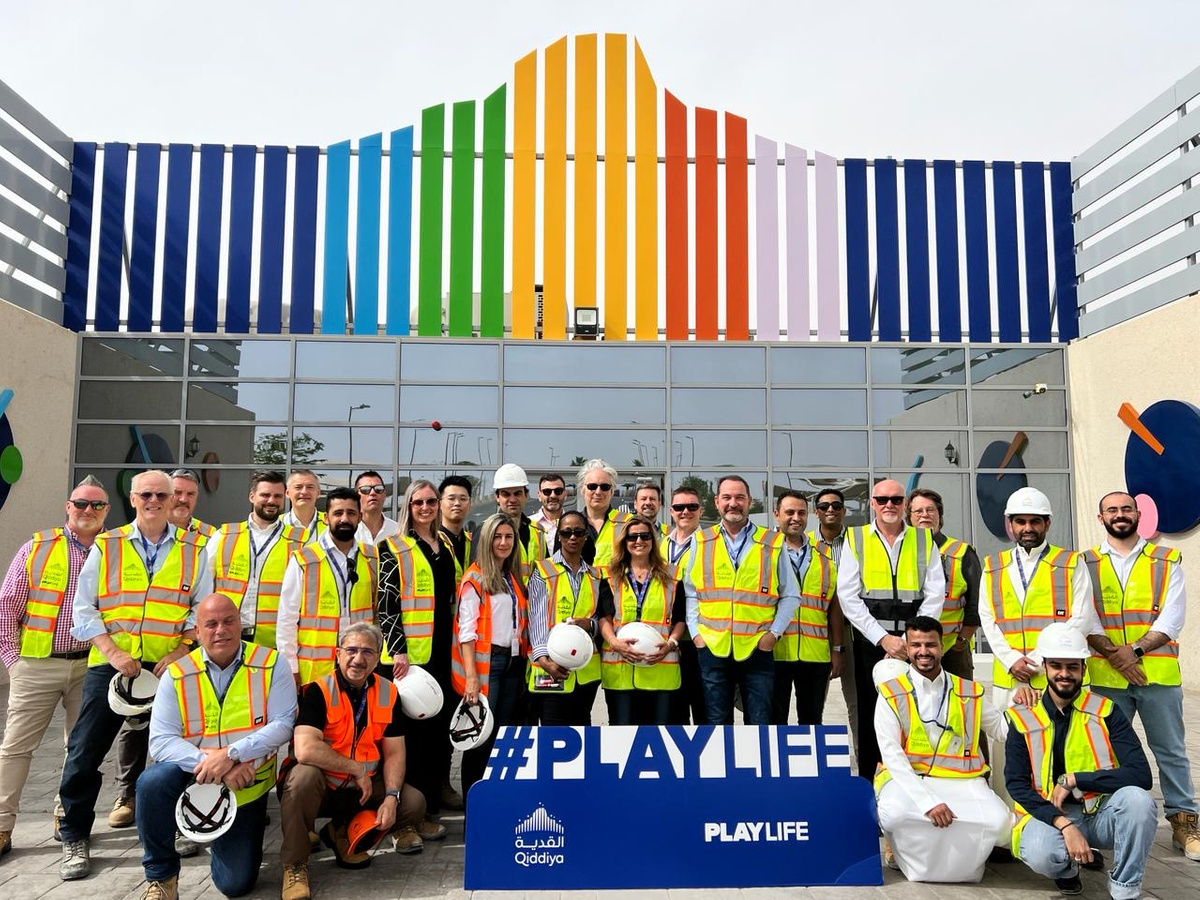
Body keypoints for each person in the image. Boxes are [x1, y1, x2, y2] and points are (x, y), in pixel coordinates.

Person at [58, 469, 213, 881]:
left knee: (171, 755)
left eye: (163, 494)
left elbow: (201, 609)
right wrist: (112, 651)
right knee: (85, 752)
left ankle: (177, 826)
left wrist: (182, 649)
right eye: (147, 494)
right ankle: (74, 833)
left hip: (168, 668)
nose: (155, 501)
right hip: (110, 665)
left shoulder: (196, 549)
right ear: (132, 498)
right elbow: (83, 607)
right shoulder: (108, 545)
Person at [134, 594, 296, 900]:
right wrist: (217, 764)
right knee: (152, 782)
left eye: (228, 621)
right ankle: (162, 878)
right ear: (197, 632)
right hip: (193, 775)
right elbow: (160, 741)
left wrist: (231, 755)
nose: (220, 630)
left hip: (246, 784)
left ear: (240, 624)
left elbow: (283, 725)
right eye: (211, 624)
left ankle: (209, 832)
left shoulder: (272, 664)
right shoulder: (177, 674)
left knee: (234, 885)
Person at [1083, 491, 1199, 860]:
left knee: (1171, 751)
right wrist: (1116, 656)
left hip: (1157, 674)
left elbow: (1172, 616)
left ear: (1139, 515)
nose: (1120, 514)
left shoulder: (1166, 559)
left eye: (1126, 509)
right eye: (1112, 510)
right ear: (1101, 518)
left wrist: (1131, 652)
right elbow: (1084, 616)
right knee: (1104, 753)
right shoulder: (1084, 563)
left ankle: (1184, 823)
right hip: (1105, 674)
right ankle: (1106, 820)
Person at [1007, 623, 1157, 899]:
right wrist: (1064, 826)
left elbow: (1141, 775)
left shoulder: (1106, 711)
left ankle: (1125, 889)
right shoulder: (1023, 718)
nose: (1064, 674)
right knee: (1043, 854)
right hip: (1048, 813)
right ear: (1045, 667)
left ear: (1083, 669)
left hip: (1099, 812)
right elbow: (1016, 785)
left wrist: (1075, 779)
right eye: (1056, 665)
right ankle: (1066, 870)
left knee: (1138, 801)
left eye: (1072, 667)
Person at [0, 477, 109, 854]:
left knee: (78, 750)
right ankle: (1, 826)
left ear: (107, 510)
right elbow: (6, 605)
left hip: (90, 666)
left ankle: (67, 817)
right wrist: (13, 662)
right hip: (37, 665)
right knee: (15, 748)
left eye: (96, 505)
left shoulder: (116, 549)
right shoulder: (38, 546)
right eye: (81, 503)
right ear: (68, 506)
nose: (87, 511)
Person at [278, 622, 426, 900]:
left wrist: (391, 796)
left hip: (362, 791)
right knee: (302, 778)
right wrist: (355, 768)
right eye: (352, 650)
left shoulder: (388, 692)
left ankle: (340, 831)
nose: (359, 659)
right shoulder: (318, 691)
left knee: (413, 803)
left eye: (368, 652)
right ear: (337, 653)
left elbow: (395, 752)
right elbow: (305, 750)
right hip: (322, 789)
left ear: (377, 657)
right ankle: (295, 864)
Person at [978, 487, 1095, 810]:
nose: (1028, 527)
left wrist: (1037, 660)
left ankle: (1065, 820)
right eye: (1020, 521)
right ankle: (1010, 825)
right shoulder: (993, 566)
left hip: (1058, 679)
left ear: (1047, 523)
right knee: (1008, 753)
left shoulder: (1072, 563)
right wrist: (1013, 659)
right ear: (1009, 525)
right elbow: (989, 619)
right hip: (1011, 678)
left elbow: (1081, 618)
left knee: (1063, 749)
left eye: (1035, 521)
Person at [874, 616, 1012, 883]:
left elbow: (1002, 730)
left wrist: (1026, 706)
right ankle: (900, 853)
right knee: (893, 815)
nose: (923, 652)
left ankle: (961, 867)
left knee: (1000, 824)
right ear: (907, 648)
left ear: (942, 647)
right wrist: (929, 803)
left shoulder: (969, 690)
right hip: (911, 781)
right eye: (916, 645)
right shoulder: (890, 693)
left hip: (963, 782)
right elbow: (892, 756)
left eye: (930, 645)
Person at [837, 479, 945, 781]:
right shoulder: (855, 538)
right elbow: (847, 595)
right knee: (872, 713)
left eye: (896, 500)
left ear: (905, 505)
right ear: (872, 503)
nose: (889, 505)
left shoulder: (924, 540)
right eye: (882, 499)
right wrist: (883, 639)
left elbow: (935, 591)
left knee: (921, 711)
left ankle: (920, 779)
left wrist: (912, 641)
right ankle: (872, 783)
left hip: (916, 645)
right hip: (872, 643)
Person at [681, 475, 800, 725]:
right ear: (717, 501)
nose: (733, 503)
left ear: (750, 502)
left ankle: (756, 766)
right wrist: (696, 634)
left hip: (757, 647)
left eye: (739, 498)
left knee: (759, 722)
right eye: (727, 497)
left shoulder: (773, 542)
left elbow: (790, 595)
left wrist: (773, 635)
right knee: (716, 721)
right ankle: (720, 767)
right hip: (713, 646)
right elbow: (691, 592)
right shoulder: (701, 540)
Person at [377, 480, 458, 829]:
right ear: (407, 507)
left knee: (437, 733)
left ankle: (430, 803)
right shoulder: (392, 547)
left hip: (442, 652)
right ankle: (411, 815)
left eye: (430, 501)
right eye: (417, 502)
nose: (425, 507)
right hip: (409, 659)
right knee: (412, 736)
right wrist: (397, 650)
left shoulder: (447, 546)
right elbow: (386, 604)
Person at [451, 514, 529, 799]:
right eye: (497, 536)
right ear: (486, 540)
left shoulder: (511, 576)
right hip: (488, 667)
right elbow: (466, 632)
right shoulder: (475, 578)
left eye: (509, 537)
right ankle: (475, 802)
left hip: (512, 663)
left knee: (502, 736)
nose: (504, 542)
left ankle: (497, 797)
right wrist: (471, 677)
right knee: (481, 737)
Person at [277, 487, 378, 687]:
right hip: (315, 667)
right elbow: (287, 618)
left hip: (359, 664)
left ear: (359, 518)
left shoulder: (372, 557)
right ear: (326, 518)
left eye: (351, 513)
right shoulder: (304, 559)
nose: (344, 519)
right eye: (338, 513)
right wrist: (290, 668)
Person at [598, 515, 686, 725]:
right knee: (622, 738)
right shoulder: (610, 576)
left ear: (653, 540)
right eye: (632, 537)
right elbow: (604, 617)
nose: (639, 541)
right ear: (624, 542)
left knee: (659, 738)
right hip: (620, 671)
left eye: (645, 536)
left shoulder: (672, 575)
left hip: (661, 668)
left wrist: (671, 643)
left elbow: (680, 619)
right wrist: (615, 643)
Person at [208, 471, 306, 650]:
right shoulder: (223, 535)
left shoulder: (301, 541)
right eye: (265, 495)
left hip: (275, 641)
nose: (271, 501)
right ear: (252, 497)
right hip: (226, 636)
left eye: (277, 496)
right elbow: (205, 587)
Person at [770, 491, 842, 725]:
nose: (795, 518)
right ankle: (776, 763)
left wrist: (837, 648)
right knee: (774, 720)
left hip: (815, 653)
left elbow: (834, 607)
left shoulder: (825, 556)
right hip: (775, 651)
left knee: (812, 721)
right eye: (789, 512)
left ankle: (808, 763)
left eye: (801, 512)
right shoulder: (764, 553)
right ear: (776, 514)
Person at [527, 510, 603, 725]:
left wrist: (591, 624)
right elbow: (537, 620)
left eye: (578, 532)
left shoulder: (595, 576)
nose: (573, 537)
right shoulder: (543, 571)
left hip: (585, 671)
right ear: (559, 536)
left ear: (585, 535)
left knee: (583, 731)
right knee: (553, 732)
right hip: (550, 666)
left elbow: (599, 617)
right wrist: (543, 660)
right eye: (567, 532)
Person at [907, 488, 982, 681]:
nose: (925, 515)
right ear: (909, 517)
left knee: (959, 705)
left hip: (952, 649)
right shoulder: (901, 553)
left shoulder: (962, 552)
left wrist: (962, 639)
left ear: (939, 515)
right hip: (912, 649)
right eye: (918, 511)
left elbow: (977, 602)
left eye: (930, 510)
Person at [810, 488, 860, 762]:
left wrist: (840, 646)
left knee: (856, 702)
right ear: (816, 511)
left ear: (844, 510)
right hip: (814, 631)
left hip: (853, 632)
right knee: (813, 703)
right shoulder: (803, 542)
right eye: (824, 505)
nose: (830, 510)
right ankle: (813, 763)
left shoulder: (857, 542)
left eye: (836, 505)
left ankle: (862, 762)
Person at [663, 486, 704, 725]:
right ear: (671, 511)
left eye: (692, 507)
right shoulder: (659, 545)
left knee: (704, 712)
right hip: (666, 640)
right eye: (679, 507)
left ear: (701, 510)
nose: (685, 512)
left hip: (699, 640)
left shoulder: (711, 543)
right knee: (673, 714)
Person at [491, 464, 546, 583]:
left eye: (517, 493)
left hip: (534, 600)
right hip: (502, 599)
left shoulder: (539, 531)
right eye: (506, 494)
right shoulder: (486, 530)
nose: (512, 499)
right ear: (497, 497)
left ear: (526, 495)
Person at [577, 459, 632, 576]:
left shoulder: (629, 523)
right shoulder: (571, 524)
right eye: (592, 486)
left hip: (617, 592)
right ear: (582, 489)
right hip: (581, 592)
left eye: (604, 487)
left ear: (612, 491)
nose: (598, 492)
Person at [437, 475, 473, 585]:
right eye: (451, 498)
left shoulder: (474, 541)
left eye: (463, 499)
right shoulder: (431, 541)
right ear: (439, 503)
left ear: (470, 504)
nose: (457, 503)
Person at [166, 469, 215, 543]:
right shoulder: (149, 529)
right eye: (177, 492)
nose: (183, 500)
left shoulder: (210, 534)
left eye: (190, 494)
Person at [354, 471, 399, 546]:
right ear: (356, 496)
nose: (372, 493)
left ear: (385, 494)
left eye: (378, 489)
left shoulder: (397, 531)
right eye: (365, 489)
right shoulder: (348, 530)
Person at [282, 470, 325, 545]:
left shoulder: (331, 523)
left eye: (310, 487)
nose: (304, 492)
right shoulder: (277, 524)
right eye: (298, 487)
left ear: (318, 493)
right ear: (287, 493)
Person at [530, 473, 567, 553]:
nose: (553, 496)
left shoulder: (575, 524)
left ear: (565, 494)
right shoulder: (528, 524)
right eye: (547, 491)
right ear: (539, 495)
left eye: (558, 491)